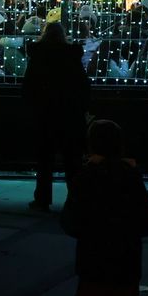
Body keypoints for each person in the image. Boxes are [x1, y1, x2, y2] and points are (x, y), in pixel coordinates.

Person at [60, 119, 148, 296]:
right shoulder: (131, 178)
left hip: (93, 265)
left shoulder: (84, 178)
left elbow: (70, 222)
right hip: (126, 265)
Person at [22, 21, 89, 211]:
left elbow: (29, 85)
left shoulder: (38, 56)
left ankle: (42, 198)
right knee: (72, 161)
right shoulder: (72, 56)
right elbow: (82, 84)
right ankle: (75, 199)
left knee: (44, 160)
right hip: (69, 113)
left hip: (45, 113)